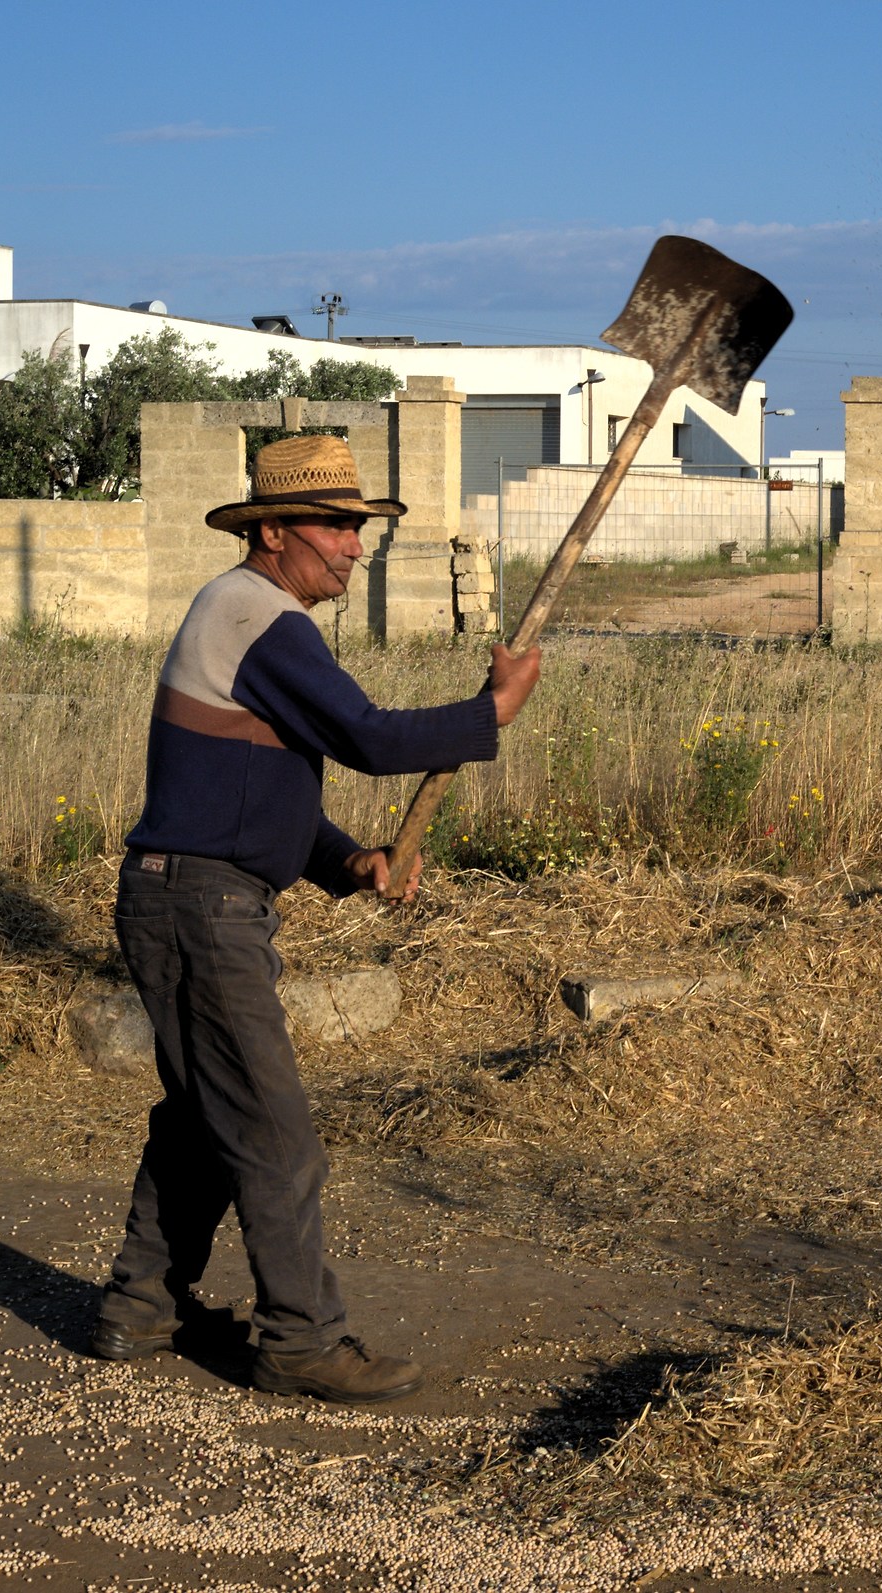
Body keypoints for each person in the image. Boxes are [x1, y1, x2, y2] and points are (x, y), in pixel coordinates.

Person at [91, 434, 539, 1404]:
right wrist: (491, 714)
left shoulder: (247, 614)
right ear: (275, 531)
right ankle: (300, 1340)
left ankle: (141, 1305)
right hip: (199, 906)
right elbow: (367, 737)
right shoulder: (260, 617)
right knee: (272, 1130)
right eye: (335, 527)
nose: (352, 546)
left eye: (357, 527)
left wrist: (349, 862)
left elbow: (253, 797)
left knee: (207, 1117)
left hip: (187, 895)